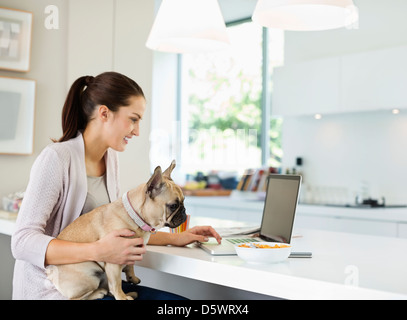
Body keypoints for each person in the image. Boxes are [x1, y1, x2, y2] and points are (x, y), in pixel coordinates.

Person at [11, 71, 222, 300]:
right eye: (133, 119)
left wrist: (176, 238)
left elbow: (118, 230)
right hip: (55, 291)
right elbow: (22, 242)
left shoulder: (110, 160)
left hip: (98, 286)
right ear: (104, 113)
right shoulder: (56, 158)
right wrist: (98, 250)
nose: (137, 131)